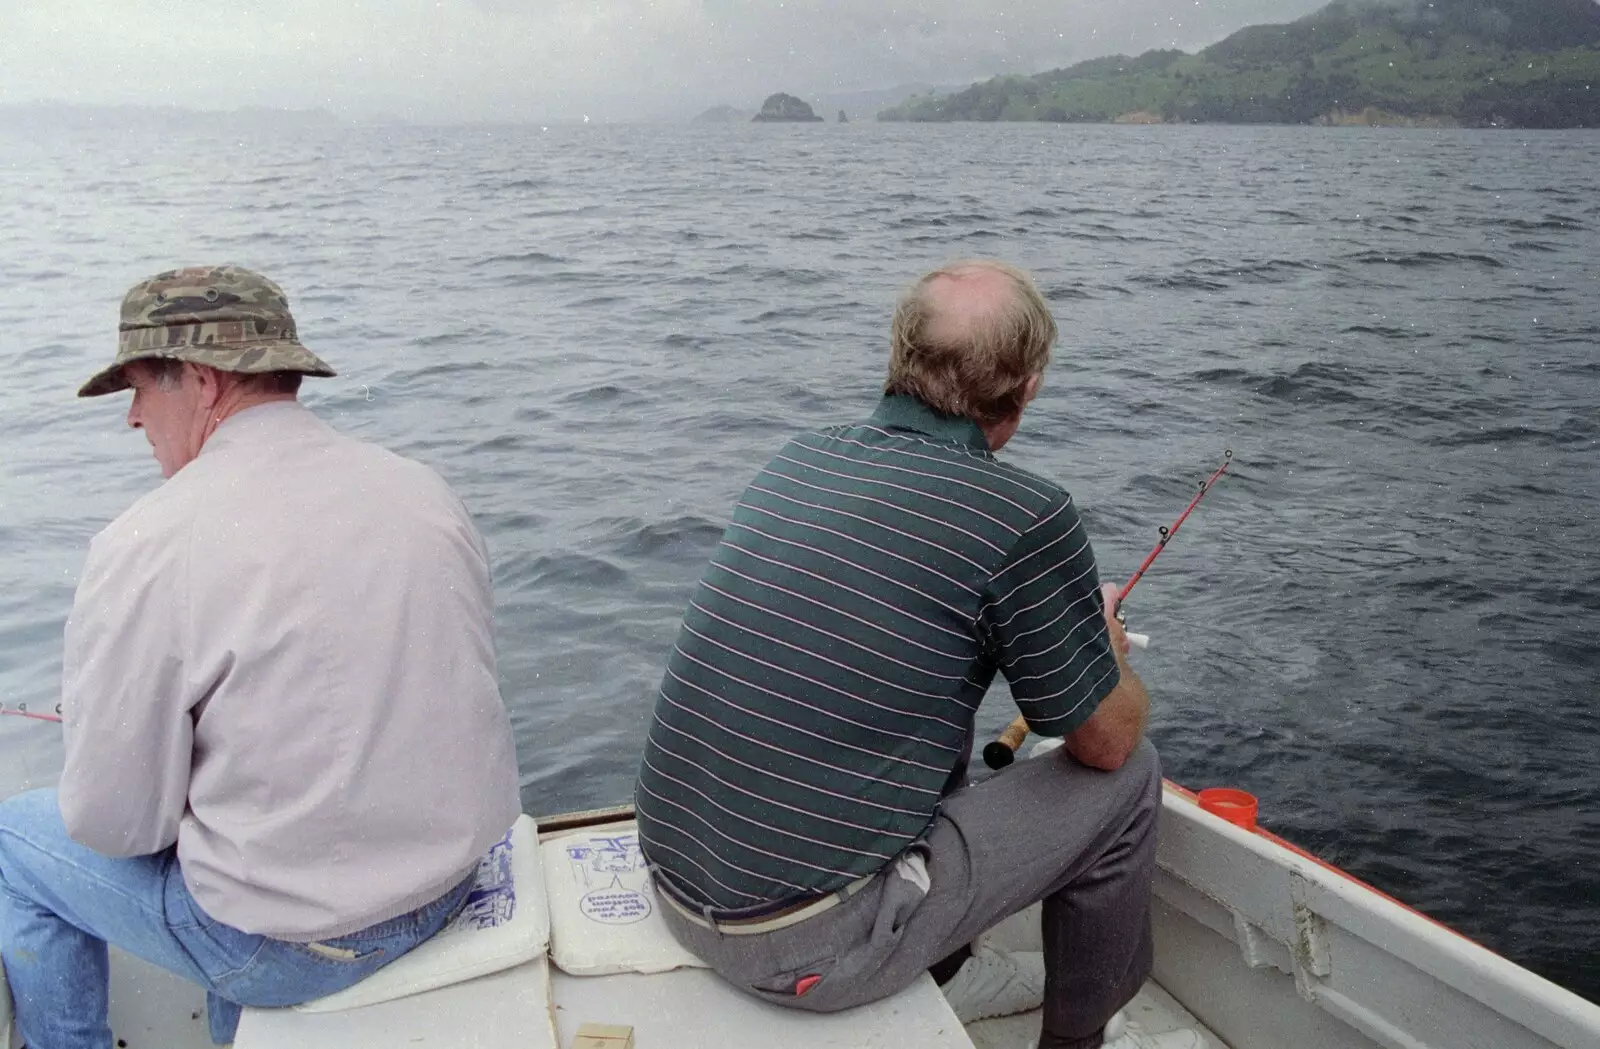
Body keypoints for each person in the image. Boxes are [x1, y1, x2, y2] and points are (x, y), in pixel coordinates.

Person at [635, 260, 1190, 1049]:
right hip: (807, 948)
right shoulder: (1024, 514)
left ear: (898, 355)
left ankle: (947, 969)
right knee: (1134, 781)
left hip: (679, 891)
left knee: (910, 726)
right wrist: (1104, 654)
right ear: (1027, 387)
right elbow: (1107, 742)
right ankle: (1077, 1042)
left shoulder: (796, 459)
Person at [0, 266, 522, 1048]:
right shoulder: (422, 490)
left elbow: (115, 825)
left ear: (204, 380)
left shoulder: (145, 543)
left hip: (295, 949)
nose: (134, 418)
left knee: (13, 840)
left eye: (140, 387)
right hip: (451, 888)